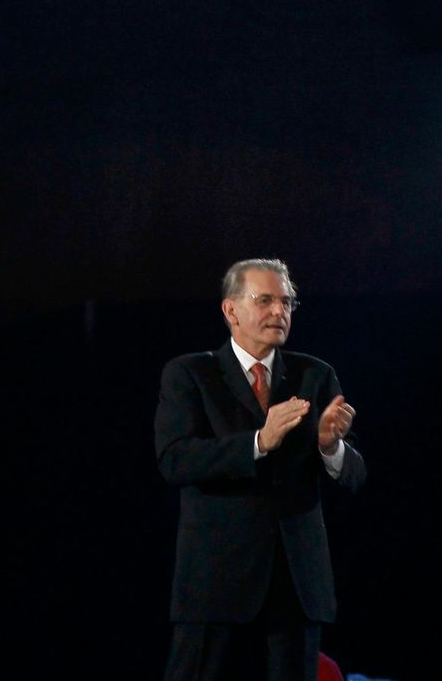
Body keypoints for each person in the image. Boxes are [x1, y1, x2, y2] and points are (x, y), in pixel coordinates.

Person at [155, 257, 364, 681]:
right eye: (265, 300)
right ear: (231, 310)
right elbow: (175, 459)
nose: (279, 312)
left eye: (287, 302)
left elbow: (355, 474)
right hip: (216, 587)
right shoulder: (191, 374)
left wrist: (330, 446)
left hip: (295, 588)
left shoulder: (315, 375)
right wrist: (258, 443)